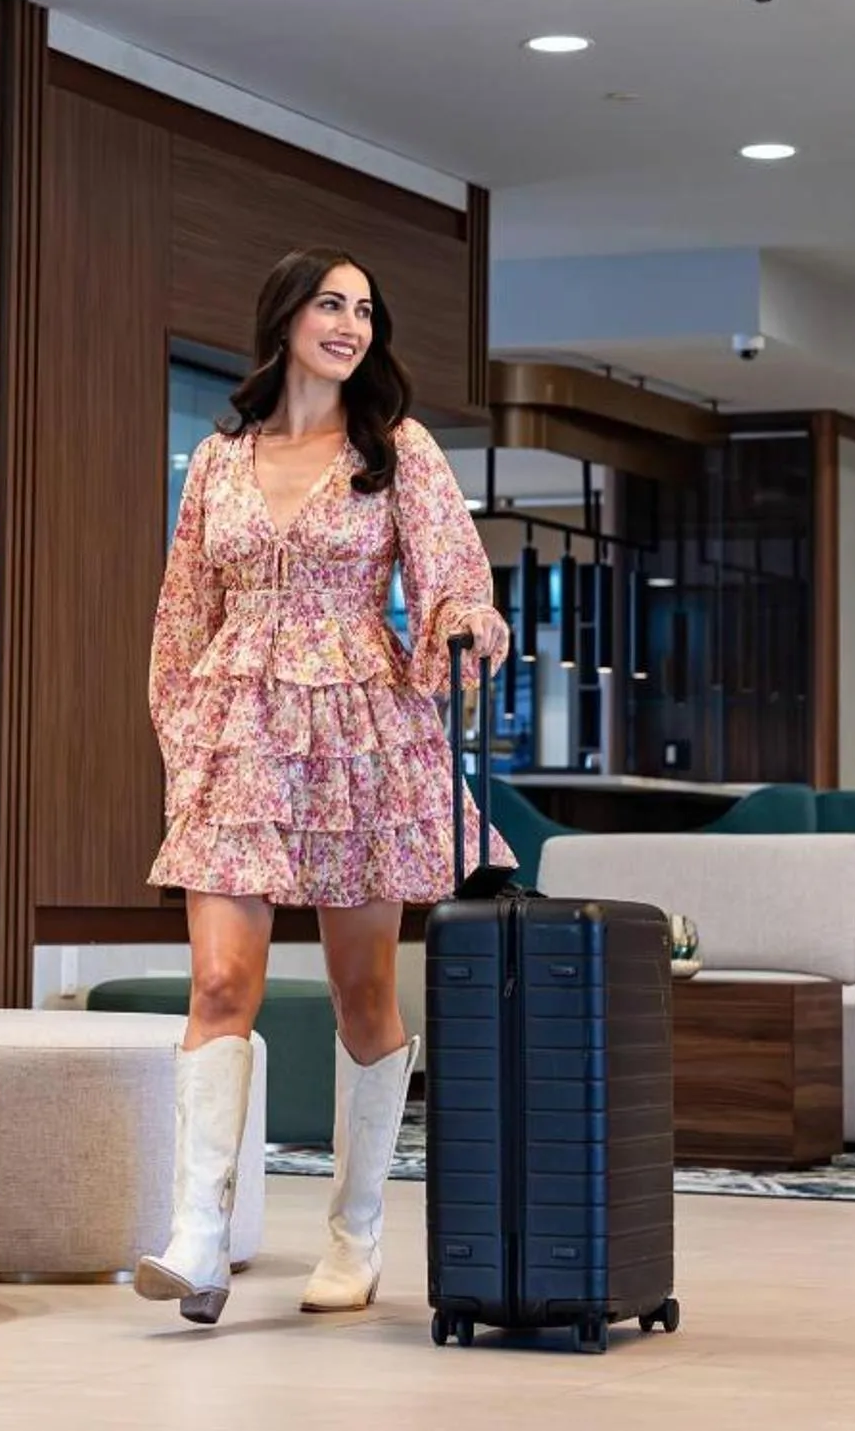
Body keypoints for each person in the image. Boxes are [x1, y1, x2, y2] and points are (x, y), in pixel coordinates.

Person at [134, 248, 510, 1326]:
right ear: (285, 318)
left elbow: (449, 577)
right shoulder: (218, 461)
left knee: (362, 995)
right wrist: (183, 740)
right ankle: (198, 1235)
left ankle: (355, 1232)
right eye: (330, 304)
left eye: (364, 310)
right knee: (218, 983)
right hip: (238, 732)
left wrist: (465, 620)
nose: (349, 324)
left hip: (358, 733)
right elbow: (182, 611)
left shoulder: (397, 448)